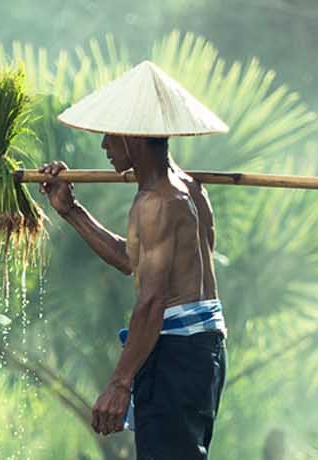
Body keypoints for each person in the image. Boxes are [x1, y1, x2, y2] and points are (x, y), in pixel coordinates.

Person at [39, 61, 228, 459]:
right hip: (201, 351)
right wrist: (70, 210)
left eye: (110, 134)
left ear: (134, 137)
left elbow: (153, 301)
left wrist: (119, 383)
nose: (105, 146)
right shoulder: (189, 188)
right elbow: (131, 260)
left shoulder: (157, 201)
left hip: (176, 355)